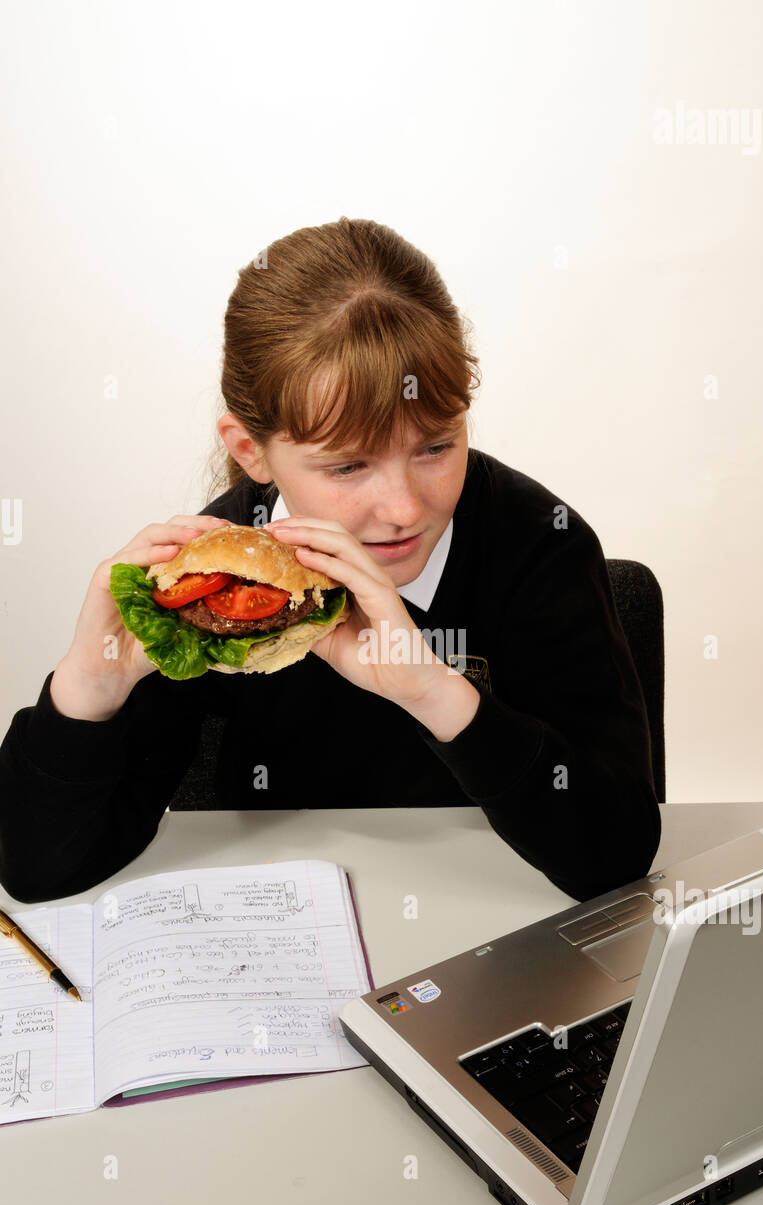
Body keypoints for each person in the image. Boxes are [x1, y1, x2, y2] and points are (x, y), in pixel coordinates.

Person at [0, 217, 660, 905]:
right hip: (275, 928)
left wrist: (433, 691)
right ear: (251, 450)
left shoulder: (539, 545)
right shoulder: (213, 585)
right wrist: (86, 691)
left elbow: (615, 858)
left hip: (482, 918)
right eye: (348, 466)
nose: (404, 509)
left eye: (435, 447)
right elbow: (41, 871)